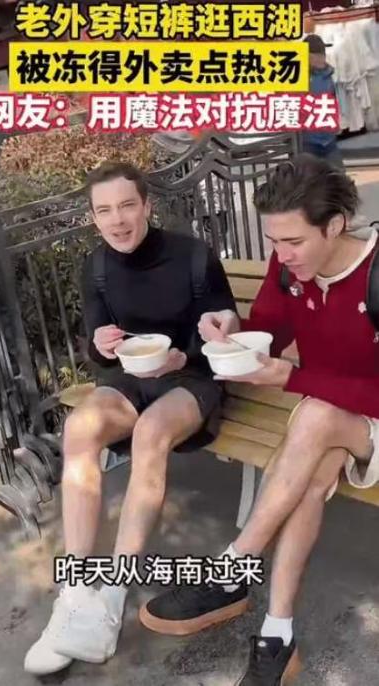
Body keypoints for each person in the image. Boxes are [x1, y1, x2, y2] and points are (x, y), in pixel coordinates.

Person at [140, 154, 379, 685]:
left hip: (367, 418)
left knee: (315, 415)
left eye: (293, 241)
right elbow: (269, 326)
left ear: (335, 225)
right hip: (327, 419)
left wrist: (292, 378)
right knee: (314, 470)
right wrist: (231, 327)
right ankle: (278, 633)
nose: (281, 254)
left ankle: (231, 571)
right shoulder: (290, 266)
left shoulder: (376, 273)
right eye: (273, 241)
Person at [24, 161, 237, 675]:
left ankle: (111, 599)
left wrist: (188, 353)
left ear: (146, 205)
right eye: (104, 211)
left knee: (150, 432)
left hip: (190, 378)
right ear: (93, 217)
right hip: (131, 381)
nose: (117, 220)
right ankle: (76, 593)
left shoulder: (193, 255)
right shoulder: (96, 266)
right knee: (79, 428)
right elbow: (99, 351)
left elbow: (224, 329)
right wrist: (99, 345)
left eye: (126, 206)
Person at [302, 34, 344, 168]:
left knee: (339, 177)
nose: (322, 58)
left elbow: (332, 100)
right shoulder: (298, 78)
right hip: (308, 143)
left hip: (329, 141)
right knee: (310, 178)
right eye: (318, 55)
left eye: (323, 55)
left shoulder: (328, 74)